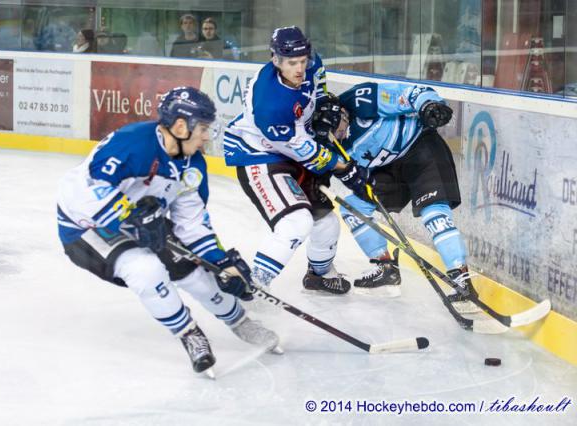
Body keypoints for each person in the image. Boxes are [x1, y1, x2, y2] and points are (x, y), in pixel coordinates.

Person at [57, 87, 281, 377]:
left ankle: (239, 321)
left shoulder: (193, 166)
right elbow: (84, 192)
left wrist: (222, 263)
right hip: (85, 227)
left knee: (195, 273)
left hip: (142, 219)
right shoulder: (131, 142)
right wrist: (129, 214)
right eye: (202, 128)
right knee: (147, 270)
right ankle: (189, 333)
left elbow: (191, 224)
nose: (206, 137)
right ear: (180, 126)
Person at [223, 26, 370, 295]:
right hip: (260, 155)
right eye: (292, 63)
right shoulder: (270, 103)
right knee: (297, 222)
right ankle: (253, 283)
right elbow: (305, 151)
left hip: (292, 148)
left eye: (303, 61)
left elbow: (320, 92)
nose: (300, 68)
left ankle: (319, 274)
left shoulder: (312, 63)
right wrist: (345, 168)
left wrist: (327, 108)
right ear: (275, 59)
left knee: (325, 222)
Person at [311, 84, 478, 310]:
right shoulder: (327, 140)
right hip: (389, 169)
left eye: (337, 128)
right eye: (331, 134)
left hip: (421, 148)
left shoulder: (362, 100)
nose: (338, 135)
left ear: (342, 112)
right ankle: (385, 268)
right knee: (353, 208)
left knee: (433, 213)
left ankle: (461, 279)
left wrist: (428, 104)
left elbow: (409, 94)